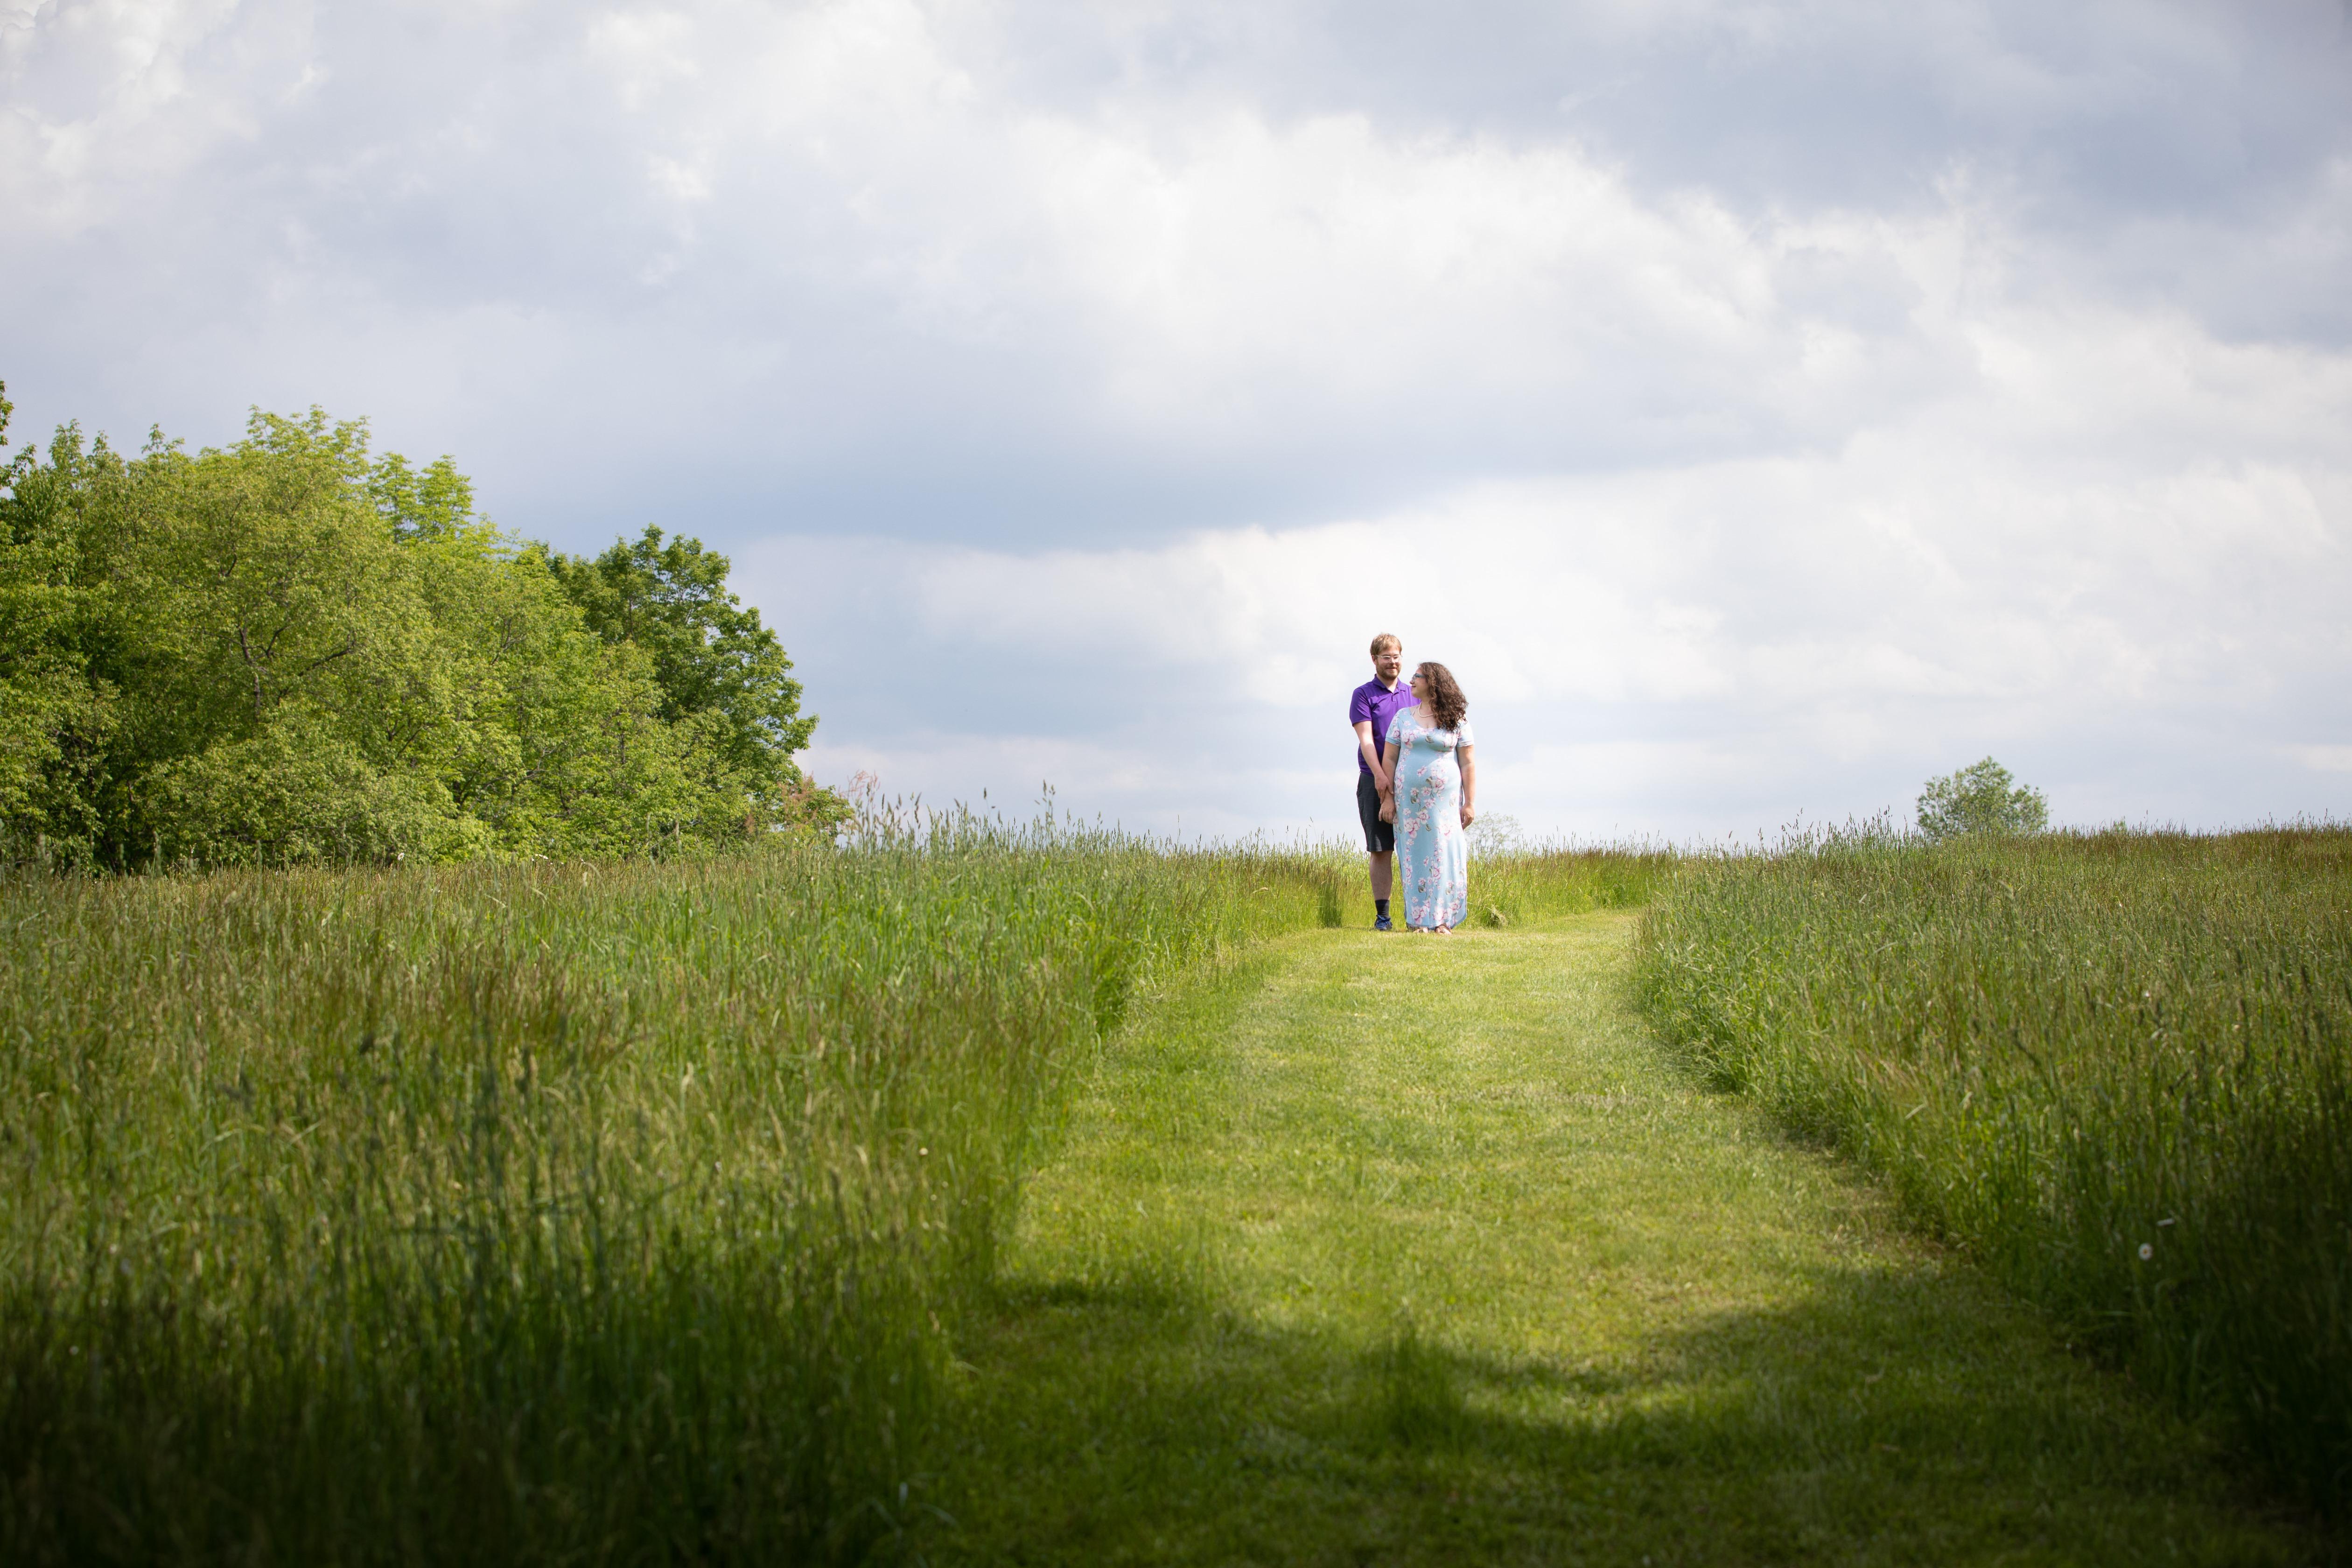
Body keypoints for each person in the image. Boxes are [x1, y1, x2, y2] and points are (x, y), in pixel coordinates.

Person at [1379, 662, 1476, 933]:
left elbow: (1468, 763)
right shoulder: (1402, 718)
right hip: (1409, 805)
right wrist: (1388, 799)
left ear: (1433, 682)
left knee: (1444, 854)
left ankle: (1442, 920)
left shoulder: (1457, 719)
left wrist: (1470, 803)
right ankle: (1419, 921)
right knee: (1414, 857)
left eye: (1417, 676)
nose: (1411, 680)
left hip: (1445, 805)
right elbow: (1390, 759)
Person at [1349, 634, 1419, 931]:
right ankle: (1383, 917)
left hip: (1410, 780)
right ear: (1375, 660)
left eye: (1397, 656)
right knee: (1381, 849)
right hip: (1373, 779)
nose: (1393, 662)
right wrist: (1380, 775)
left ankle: (1419, 914)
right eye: (1386, 657)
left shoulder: (1415, 693)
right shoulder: (1363, 694)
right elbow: (1366, 739)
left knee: (1416, 848)